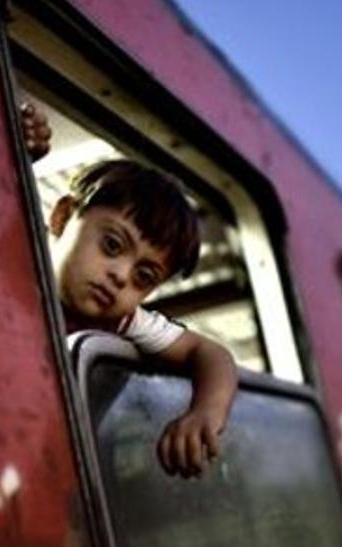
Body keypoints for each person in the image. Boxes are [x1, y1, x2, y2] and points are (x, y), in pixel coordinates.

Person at [21, 104, 238, 480]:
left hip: (43, 467)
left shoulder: (125, 321)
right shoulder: (20, 252)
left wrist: (205, 413)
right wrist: (22, 152)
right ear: (61, 218)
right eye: (111, 245)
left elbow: (212, 353)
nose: (121, 276)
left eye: (145, 276)